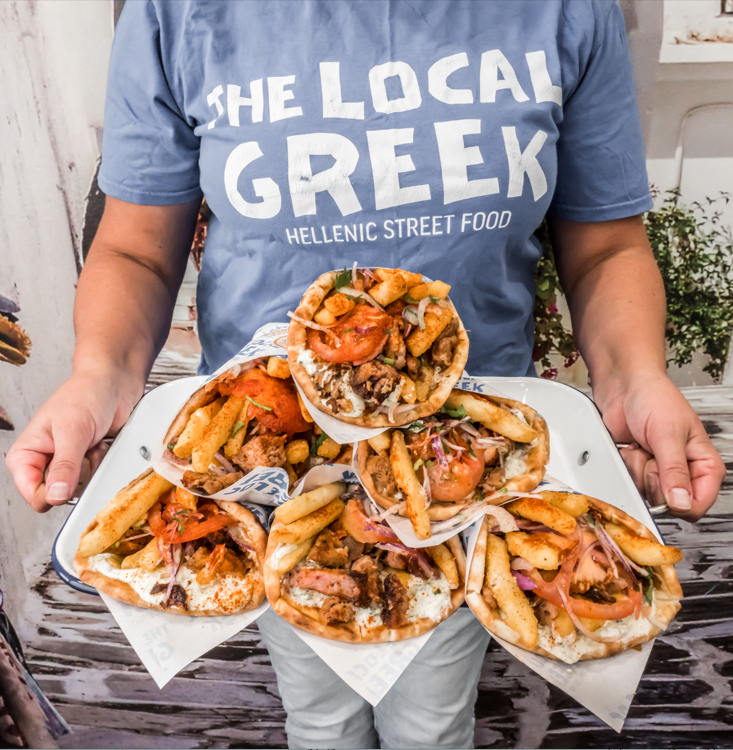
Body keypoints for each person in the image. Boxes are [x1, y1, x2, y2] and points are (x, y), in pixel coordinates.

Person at [7, 1, 726, 748]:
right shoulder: (177, 13)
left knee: (431, 724)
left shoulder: (568, 11)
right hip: (266, 467)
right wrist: (99, 374)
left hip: (471, 467)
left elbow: (606, 245)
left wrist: (635, 378)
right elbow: (136, 249)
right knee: (321, 719)